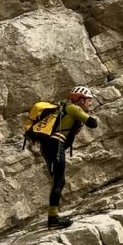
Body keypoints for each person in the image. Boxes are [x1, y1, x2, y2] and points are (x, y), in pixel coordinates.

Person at [40, 86, 99, 229]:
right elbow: (93, 123)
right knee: (59, 181)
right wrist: (84, 115)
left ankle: (54, 217)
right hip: (55, 145)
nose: (90, 103)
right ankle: (53, 220)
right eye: (88, 100)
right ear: (81, 100)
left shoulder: (67, 109)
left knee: (58, 181)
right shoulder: (73, 108)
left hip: (50, 146)